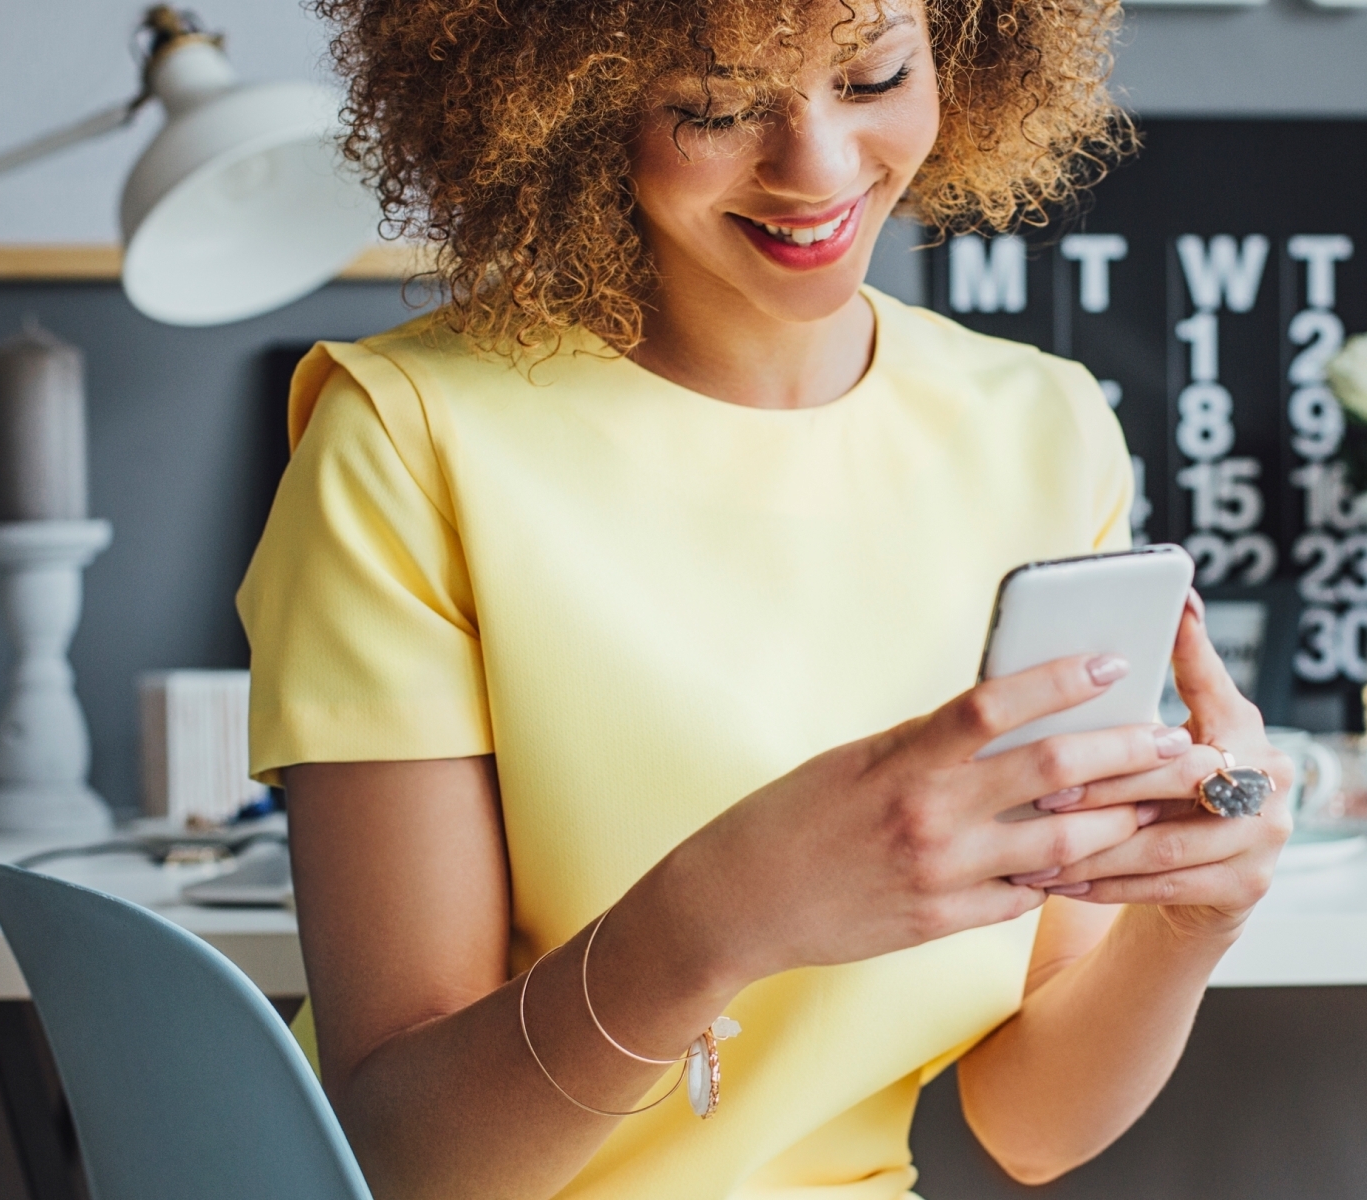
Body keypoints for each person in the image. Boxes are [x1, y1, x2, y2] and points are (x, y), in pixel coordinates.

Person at [238, 1, 1291, 1197]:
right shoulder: (407, 441)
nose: (820, 168)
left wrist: (1194, 924)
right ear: (579, 99)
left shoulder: (1043, 431)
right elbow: (407, 1162)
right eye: (719, 105)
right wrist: (724, 917)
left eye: (874, 75)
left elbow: (1029, 1125)